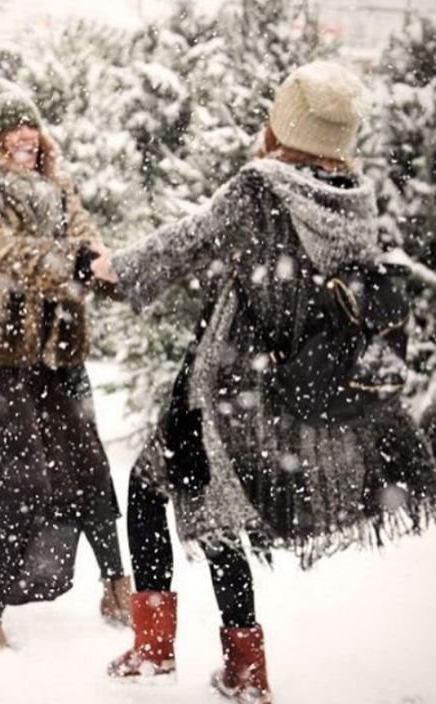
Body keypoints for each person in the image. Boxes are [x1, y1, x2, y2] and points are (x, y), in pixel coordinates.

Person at [91, 61, 436, 703]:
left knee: (154, 491)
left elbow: (187, 242)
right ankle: (241, 668)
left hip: (226, 387)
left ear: (285, 125)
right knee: (213, 513)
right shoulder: (352, 200)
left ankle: (165, 652)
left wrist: (113, 269)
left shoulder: (261, 188)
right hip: (279, 394)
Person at [0, 74, 130, 656]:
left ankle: (117, 585)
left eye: (31, 129)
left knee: (89, 471)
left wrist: (105, 265)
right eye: (11, 132)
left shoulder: (59, 188)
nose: (25, 139)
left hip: (56, 355)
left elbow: (87, 242)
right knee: (18, 485)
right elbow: (5, 255)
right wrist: (76, 264)